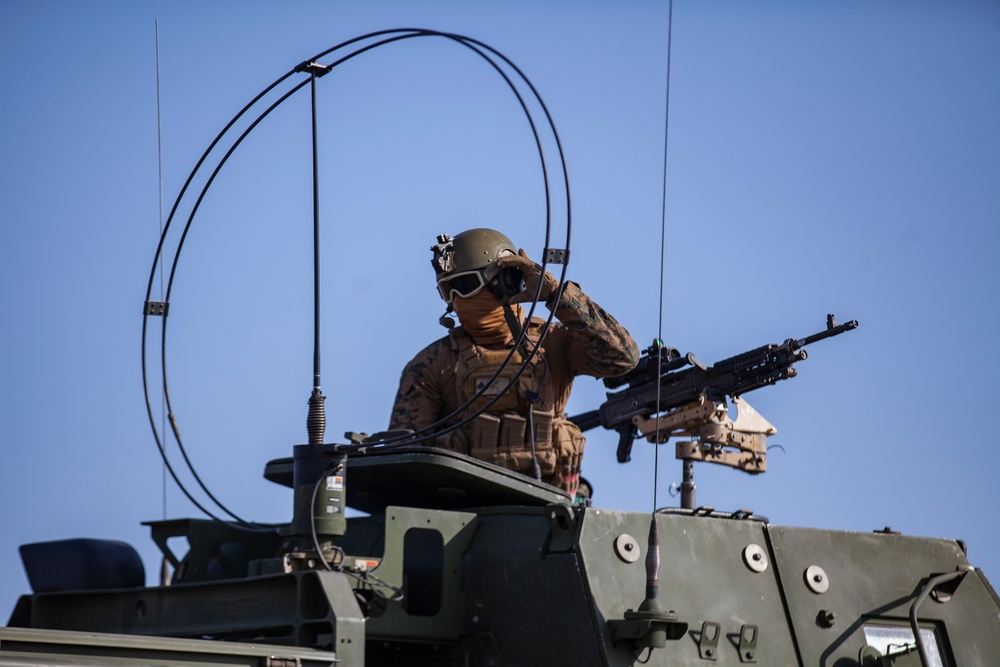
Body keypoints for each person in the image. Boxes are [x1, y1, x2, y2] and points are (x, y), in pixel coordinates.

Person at [389, 228, 640, 496]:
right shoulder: (432, 364)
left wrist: (556, 295)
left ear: (506, 282)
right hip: (463, 518)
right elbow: (405, 461)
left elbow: (623, 357)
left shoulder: (556, 342)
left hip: (553, 516)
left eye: (463, 286)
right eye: (446, 291)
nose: (456, 301)